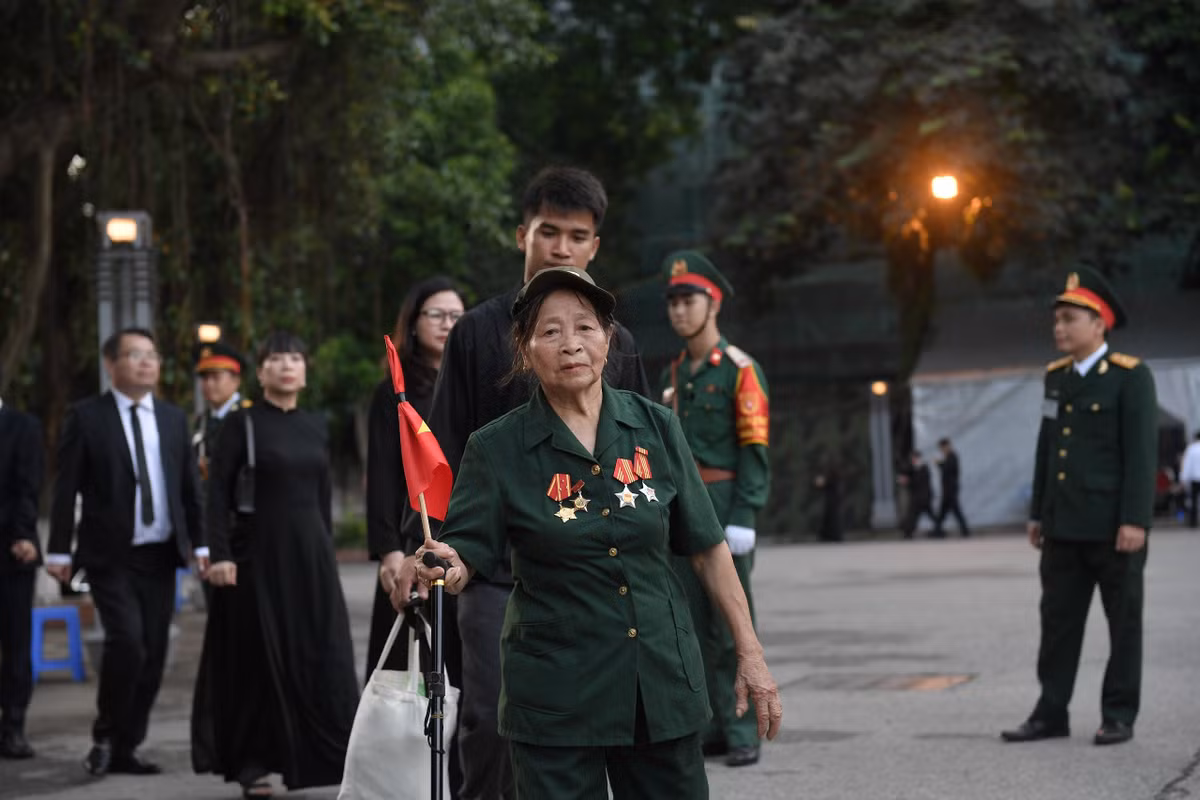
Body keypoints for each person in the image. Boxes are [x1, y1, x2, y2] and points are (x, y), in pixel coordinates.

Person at [416, 267, 782, 799]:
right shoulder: (496, 448)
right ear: (525, 349)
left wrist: (750, 654)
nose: (571, 345)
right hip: (556, 692)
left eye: (585, 327)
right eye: (550, 331)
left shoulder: (657, 427)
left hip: (658, 681)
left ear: (609, 340)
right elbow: (466, 548)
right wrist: (446, 563)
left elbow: (706, 547)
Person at [404, 165, 652, 800]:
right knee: (491, 720)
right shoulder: (475, 333)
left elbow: (642, 456)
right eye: (549, 232)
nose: (561, 248)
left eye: (577, 235)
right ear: (523, 235)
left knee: (594, 724)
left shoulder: (615, 340)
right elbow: (443, 444)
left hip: (593, 566)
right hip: (495, 568)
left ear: (594, 245)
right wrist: (427, 542)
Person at [192, 331, 359, 797]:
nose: (287, 366)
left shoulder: (316, 425)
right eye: (276, 358)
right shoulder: (240, 425)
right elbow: (215, 499)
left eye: (295, 358)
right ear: (261, 371)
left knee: (321, 653)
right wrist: (220, 555)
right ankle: (252, 764)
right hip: (256, 559)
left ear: (304, 371)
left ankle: (317, 758)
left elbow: (322, 498)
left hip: (311, 558)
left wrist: (325, 551)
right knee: (256, 662)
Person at [1002, 268, 1156, 747]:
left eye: (1069, 319)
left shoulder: (1131, 377)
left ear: (1099, 324)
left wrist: (1135, 519)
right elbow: (1047, 447)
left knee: (1123, 625)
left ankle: (1118, 713)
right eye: (1057, 320)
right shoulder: (1056, 379)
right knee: (1058, 626)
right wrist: (1037, 513)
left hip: (1114, 528)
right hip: (1063, 527)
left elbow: (1141, 454)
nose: (1059, 329)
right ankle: (1051, 712)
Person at [47, 327, 207, 777]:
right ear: (110, 364)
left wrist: (202, 543)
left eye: (152, 355)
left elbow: (189, 489)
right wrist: (59, 551)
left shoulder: (174, 419)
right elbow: (65, 490)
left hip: (159, 555)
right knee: (128, 644)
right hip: (108, 555)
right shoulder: (86, 416)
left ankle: (126, 745)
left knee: (154, 652)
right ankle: (104, 733)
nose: (146, 363)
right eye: (135, 355)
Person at [659, 250, 770, 767]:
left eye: (690, 300)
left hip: (725, 504)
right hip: (683, 505)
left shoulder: (740, 371)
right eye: (674, 302)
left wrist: (745, 513)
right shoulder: (675, 373)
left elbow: (756, 451)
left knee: (731, 621)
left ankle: (743, 728)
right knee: (689, 623)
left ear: (714, 303)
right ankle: (712, 727)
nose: (680, 311)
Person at [364, 277, 465, 795]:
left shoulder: (473, 379)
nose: (449, 324)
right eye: (437, 315)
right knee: (413, 676)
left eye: (456, 315)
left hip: (464, 541)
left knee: (466, 677)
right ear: (414, 322)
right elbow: (382, 477)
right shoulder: (397, 393)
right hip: (411, 541)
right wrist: (389, 551)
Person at [0, 379, 44, 760]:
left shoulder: (21, 426)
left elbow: (28, 487)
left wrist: (24, 534)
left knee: (14, 642)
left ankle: (13, 726)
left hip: (10, 552)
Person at [192, 340, 252, 484]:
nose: (209, 384)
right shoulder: (202, 420)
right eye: (205, 378)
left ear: (236, 381)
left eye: (216, 377)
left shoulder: (249, 416)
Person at [934, 438, 970, 537]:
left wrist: (939, 464)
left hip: (951, 490)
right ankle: (937, 531)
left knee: (955, 511)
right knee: (942, 513)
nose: (941, 450)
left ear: (946, 446)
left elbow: (948, 470)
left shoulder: (952, 456)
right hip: (947, 489)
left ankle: (965, 531)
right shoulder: (948, 457)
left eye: (942, 448)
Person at [899, 450, 936, 539]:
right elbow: (907, 473)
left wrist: (907, 481)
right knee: (914, 516)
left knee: (914, 516)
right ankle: (908, 532)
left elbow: (918, 482)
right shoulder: (914, 467)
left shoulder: (923, 467)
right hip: (918, 497)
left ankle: (908, 532)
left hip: (923, 497)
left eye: (913, 458)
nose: (912, 460)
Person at [1180, 432, 1200, 528]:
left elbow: (1187, 464)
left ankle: (1193, 522)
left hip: (1195, 478)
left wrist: (1183, 478)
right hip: (1195, 477)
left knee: (1194, 501)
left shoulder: (1191, 449)